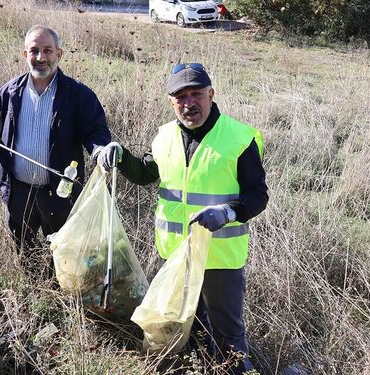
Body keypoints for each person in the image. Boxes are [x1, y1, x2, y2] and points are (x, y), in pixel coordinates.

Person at [97, 63, 268, 373]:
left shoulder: (239, 138)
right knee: (187, 328)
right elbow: (146, 174)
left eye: (197, 94)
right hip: (175, 255)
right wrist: (119, 155)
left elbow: (258, 195)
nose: (190, 103)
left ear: (211, 94)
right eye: (181, 97)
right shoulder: (163, 137)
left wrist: (228, 212)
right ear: (171, 102)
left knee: (229, 335)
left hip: (220, 258)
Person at [0, 25, 111, 255]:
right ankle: (31, 286)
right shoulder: (11, 91)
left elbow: (95, 132)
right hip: (18, 191)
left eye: (47, 50)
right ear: (25, 55)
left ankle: (58, 288)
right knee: (24, 249)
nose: (41, 58)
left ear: (59, 54)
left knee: (63, 250)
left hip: (59, 193)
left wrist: (101, 150)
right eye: (34, 51)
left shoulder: (78, 94)